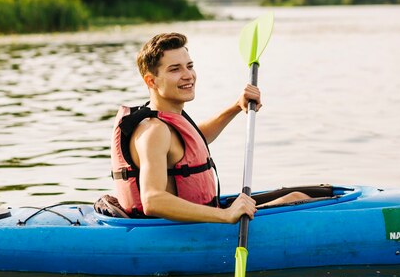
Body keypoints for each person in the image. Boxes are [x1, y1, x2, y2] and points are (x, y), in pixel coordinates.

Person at [109, 32, 309, 222]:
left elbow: (194, 139)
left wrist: (235, 106)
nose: (188, 75)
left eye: (190, 66)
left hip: (197, 220)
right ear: (151, 81)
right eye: (175, 69)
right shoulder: (154, 131)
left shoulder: (167, 120)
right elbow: (153, 200)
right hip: (174, 232)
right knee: (298, 199)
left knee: (298, 196)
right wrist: (226, 215)